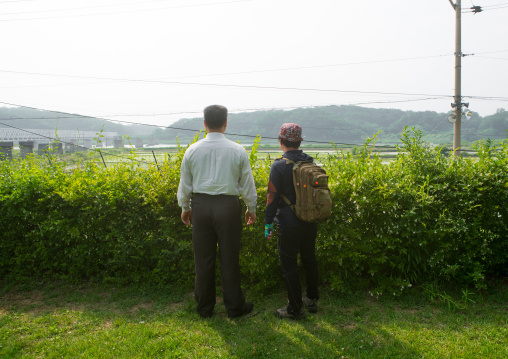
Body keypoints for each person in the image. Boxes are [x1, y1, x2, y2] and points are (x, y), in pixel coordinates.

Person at [177, 104, 257, 319]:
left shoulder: (192, 150)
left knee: (203, 258)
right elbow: (247, 184)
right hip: (228, 206)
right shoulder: (237, 150)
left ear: (204, 123)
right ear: (225, 123)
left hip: (201, 206)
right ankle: (234, 307)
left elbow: (185, 184)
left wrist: (185, 207)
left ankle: (204, 307)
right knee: (229, 257)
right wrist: (251, 208)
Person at [265, 123, 319, 320]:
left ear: (281, 141)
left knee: (289, 264)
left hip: (288, 223)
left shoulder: (279, 165)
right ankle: (311, 299)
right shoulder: (310, 162)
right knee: (309, 258)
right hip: (310, 219)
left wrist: (267, 223)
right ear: (299, 141)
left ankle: (294, 308)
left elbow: (272, 197)